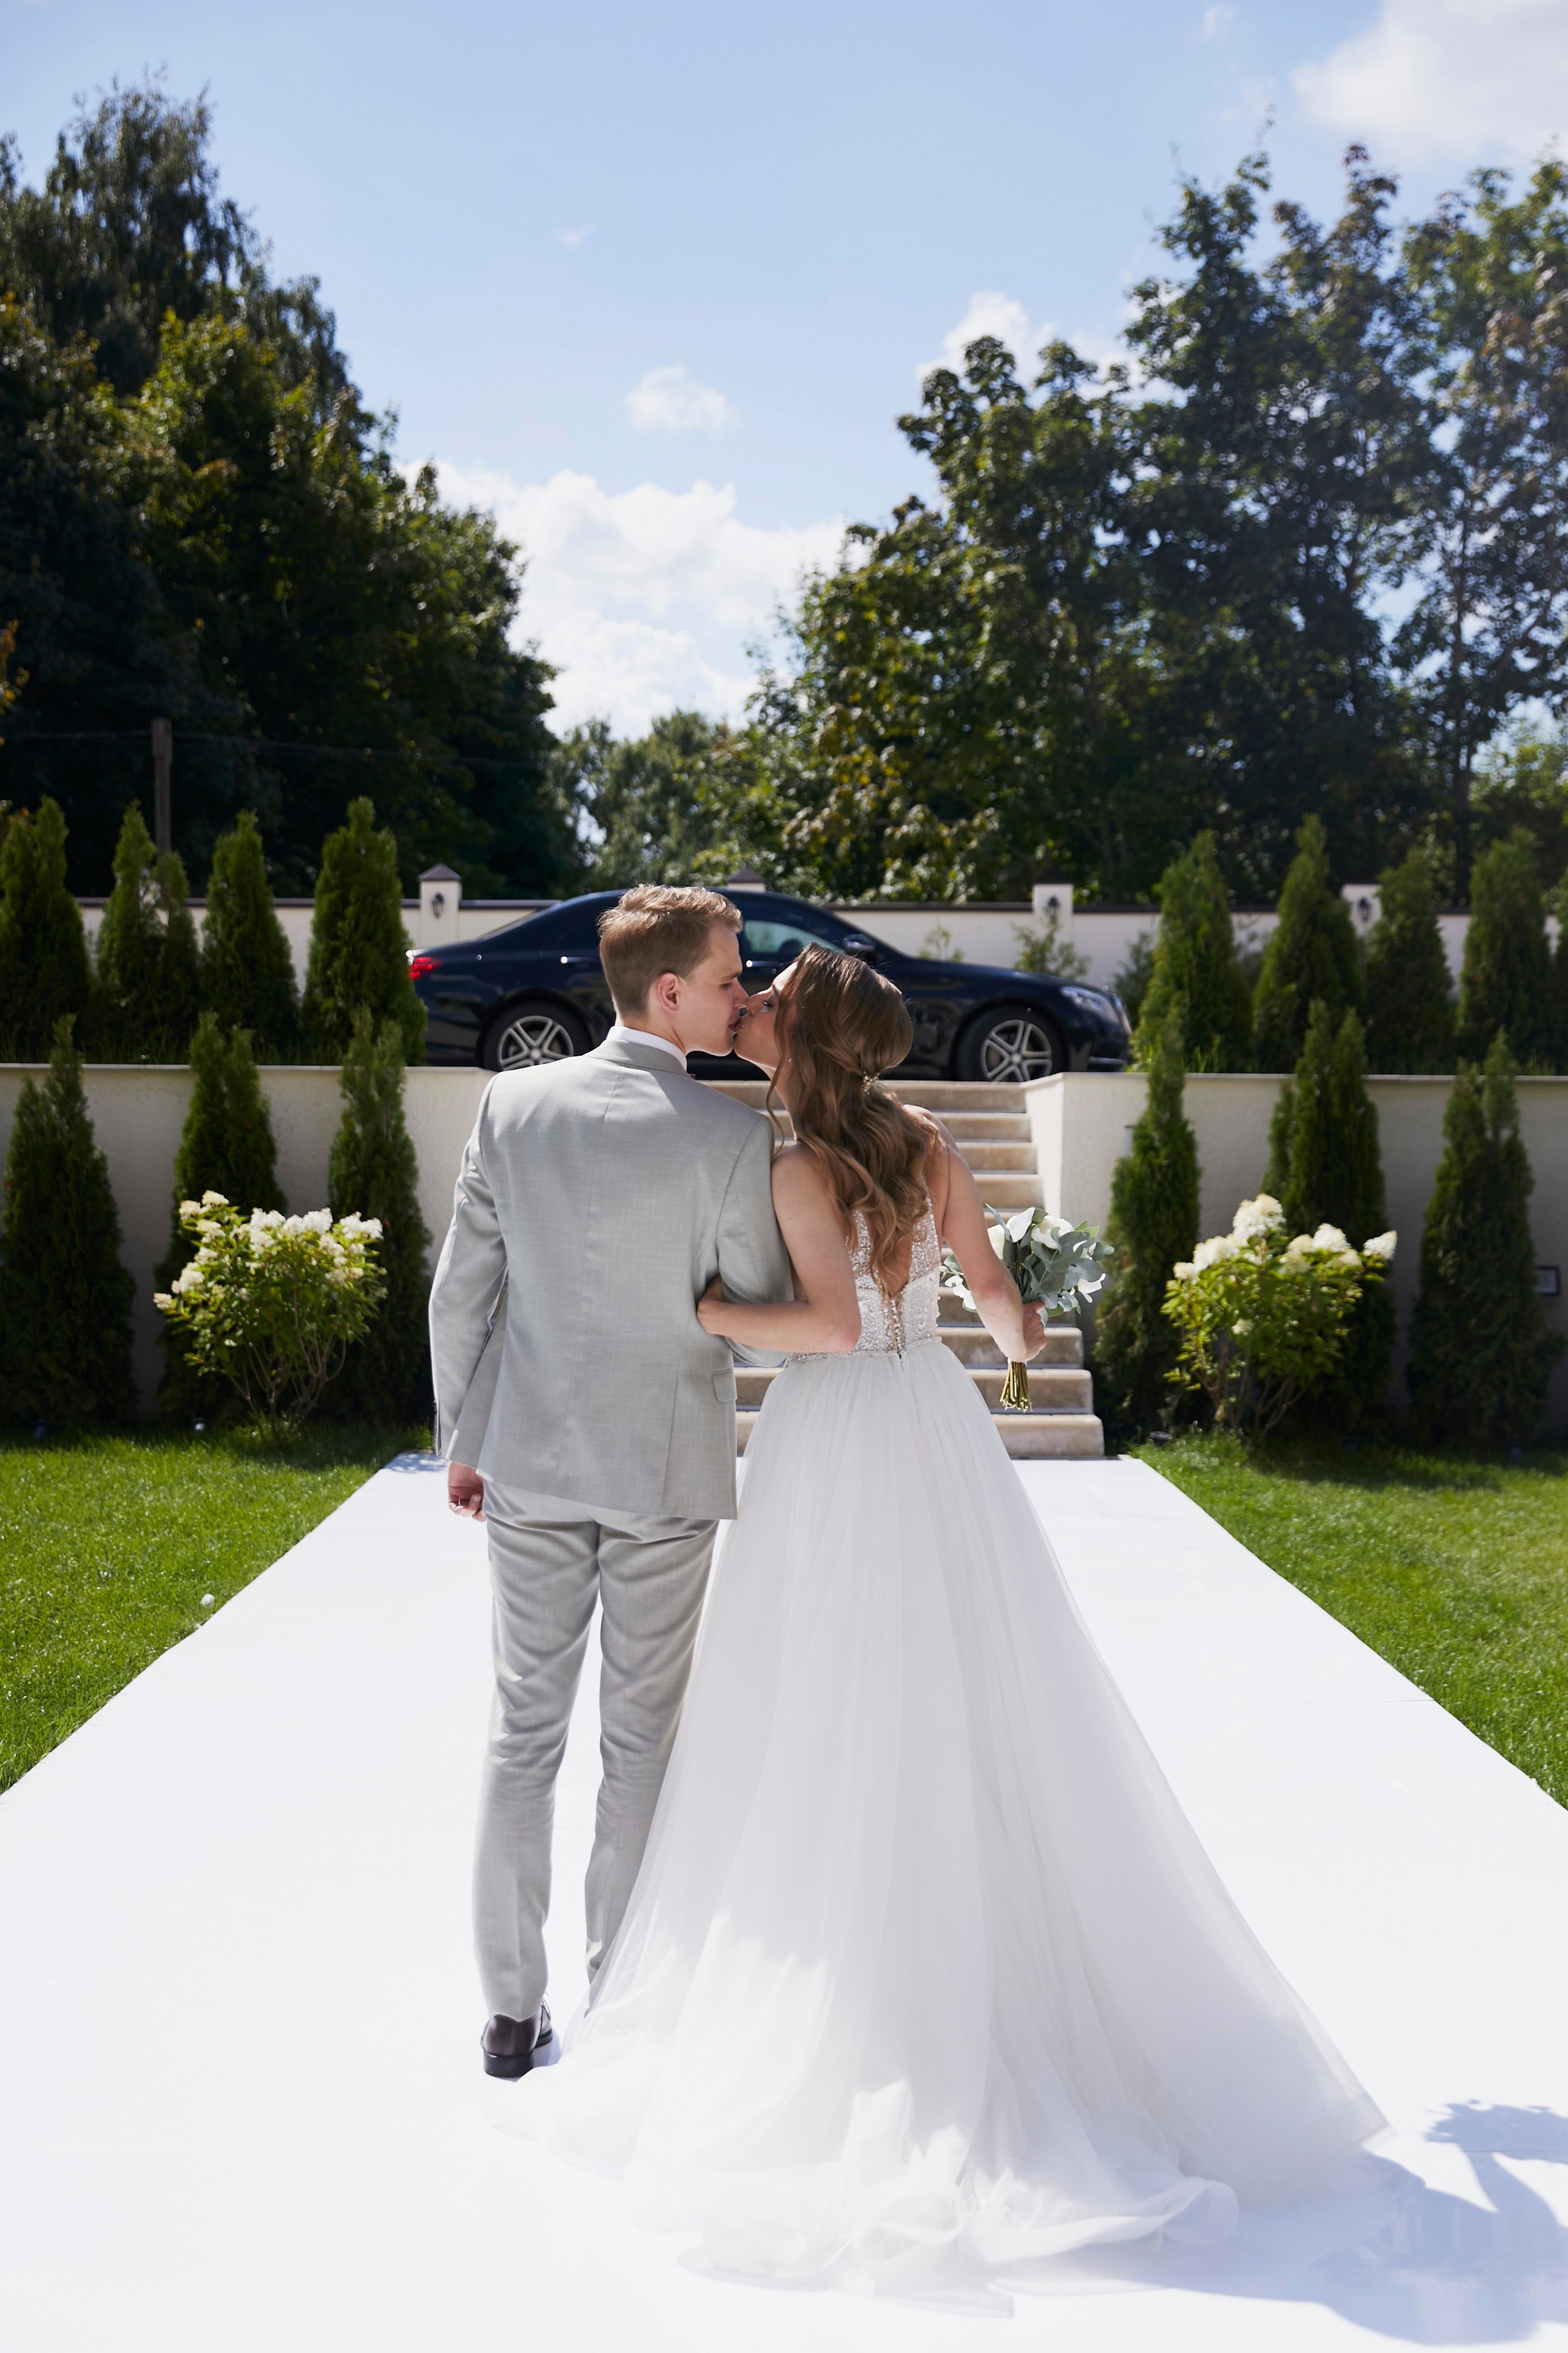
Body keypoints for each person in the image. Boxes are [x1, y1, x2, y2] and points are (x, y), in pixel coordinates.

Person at [502, 943, 1385, 2294]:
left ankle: (858, 1972)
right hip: (937, 1430)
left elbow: (828, 1331)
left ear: (805, 1041)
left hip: (835, 1438)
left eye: (769, 1001)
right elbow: (1007, 1322)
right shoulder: (929, 1147)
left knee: (818, 1696)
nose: (750, 1003)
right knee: (965, 1684)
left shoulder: (793, 1166)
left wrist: (712, 1309)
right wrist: (1027, 1329)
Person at [428, 885, 792, 2082]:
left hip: (528, 1455)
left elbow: (460, 1292)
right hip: (664, 1469)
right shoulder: (727, 1137)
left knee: (520, 1732)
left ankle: (506, 2014)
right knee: (641, 1746)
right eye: (730, 978)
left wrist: (464, 1436)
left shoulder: (512, 1105)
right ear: (670, 991)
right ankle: (617, 1999)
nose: (742, 996)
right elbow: (752, 1308)